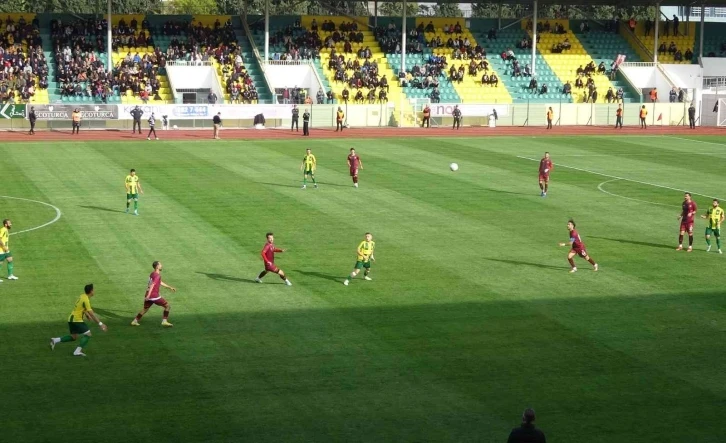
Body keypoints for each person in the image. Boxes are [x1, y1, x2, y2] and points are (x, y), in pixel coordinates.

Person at [49, 284, 107, 357]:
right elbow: (92, 314)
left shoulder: (82, 296)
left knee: (73, 337)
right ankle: (77, 351)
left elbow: (81, 307)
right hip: (76, 320)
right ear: (91, 291)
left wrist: (86, 314)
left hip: (71, 319)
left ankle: (55, 340)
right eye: (93, 290)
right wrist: (101, 324)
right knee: (88, 334)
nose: (94, 291)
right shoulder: (86, 300)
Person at [131, 261, 176, 327]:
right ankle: (164, 321)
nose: (161, 265)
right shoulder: (157, 275)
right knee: (167, 306)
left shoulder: (152, 274)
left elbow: (160, 282)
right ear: (157, 266)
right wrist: (149, 296)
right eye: (160, 264)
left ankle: (135, 321)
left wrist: (169, 287)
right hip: (154, 296)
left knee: (145, 309)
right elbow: (152, 285)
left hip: (148, 294)